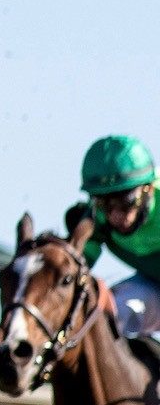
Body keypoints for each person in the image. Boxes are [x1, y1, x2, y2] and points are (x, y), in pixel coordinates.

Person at [69, 134, 160, 337]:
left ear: (148, 189)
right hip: (152, 284)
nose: (116, 215)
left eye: (126, 201)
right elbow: (76, 268)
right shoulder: (97, 218)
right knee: (106, 314)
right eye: (105, 203)